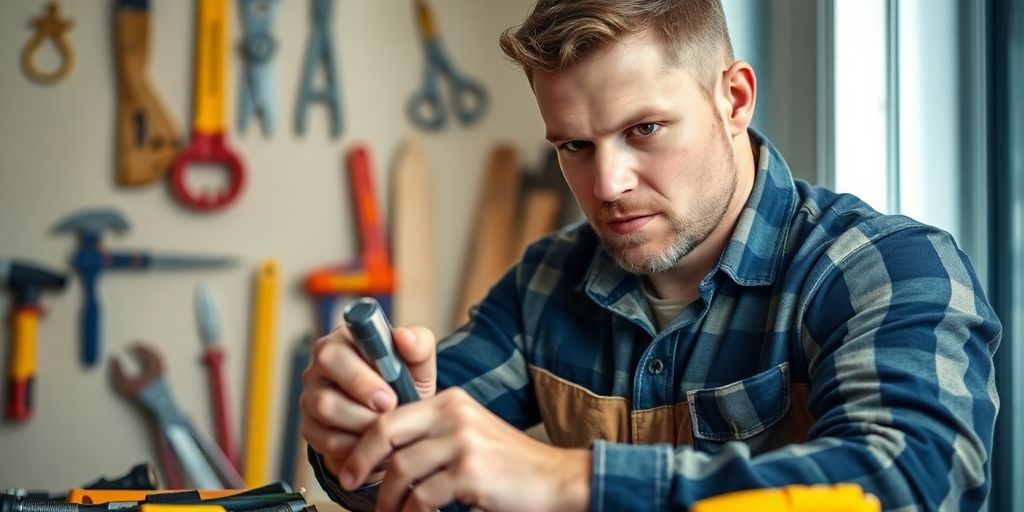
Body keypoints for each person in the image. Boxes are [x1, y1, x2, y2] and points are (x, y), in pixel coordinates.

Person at [300, 0, 1002, 510]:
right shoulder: (545, 283)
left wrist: (567, 480)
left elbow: (908, 483)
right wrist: (361, 435)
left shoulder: (887, 268)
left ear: (734, 98)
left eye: (646, 129)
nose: (606, 186)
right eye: (574, 145)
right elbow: (410, 474)